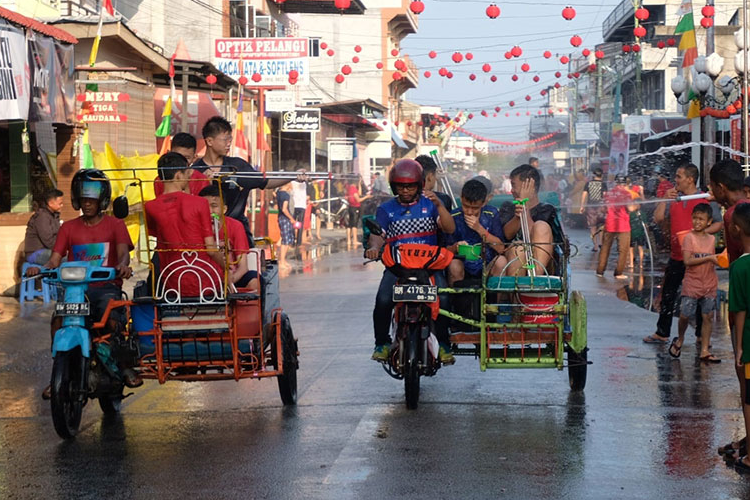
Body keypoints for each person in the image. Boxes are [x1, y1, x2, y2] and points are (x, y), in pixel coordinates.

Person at [28, 169, 139, 396]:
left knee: (112, 324)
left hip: (106, 288)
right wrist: (41, 269)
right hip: (75, 291)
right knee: (58, 321)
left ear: (102, 199)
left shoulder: (115, 225)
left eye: (92, 199)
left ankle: (124, 366)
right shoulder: (68, 228)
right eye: (84, 198)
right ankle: (57, 374)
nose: (87, 204)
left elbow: (123, 253)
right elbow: (55, 259)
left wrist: (123, 266)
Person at [364, 159, 456, 364]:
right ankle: (382, 343)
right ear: (394, 186)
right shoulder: (386, 209)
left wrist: (440, 206)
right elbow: (378, 234)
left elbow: (449, 228)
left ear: (420, 184)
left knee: (445, 300)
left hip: (429, 267)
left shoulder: (431, 204)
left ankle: (443, 344)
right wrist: (374, 248)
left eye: (410, 185)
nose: (405, 190)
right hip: (398, 268)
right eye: (401, 186)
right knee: (383, 300)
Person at [192, 116, 305, 247]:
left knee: (249, 264)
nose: (229, 143)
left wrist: (293, 175)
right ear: (209, 141)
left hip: (237, 232)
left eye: (230, 139)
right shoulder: (195, 171)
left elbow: (266, 182)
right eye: (225, 139)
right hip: (205, 234)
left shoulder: (238, 166)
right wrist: (204, 182)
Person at [643, 162, 721, 343]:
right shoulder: (675, 198)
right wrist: (664, 198)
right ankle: (662, 333)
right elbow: (658, 218)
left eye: (679, 177)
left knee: (700, 296)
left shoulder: (704, 199)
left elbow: (717, 223)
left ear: (690, 179)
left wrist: (696, 235)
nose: (675, 180)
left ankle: (701, 335)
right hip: (677, 256)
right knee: (668, 294)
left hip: (699, 258)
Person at [710, 159, 750, 464]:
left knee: (745, 378)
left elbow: (735, 261)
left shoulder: (731, 215)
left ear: (721, 188)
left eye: (713, 188)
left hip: (743, 300)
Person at [145, 152, 224, 298]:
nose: (189, 178)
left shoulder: (150, 207)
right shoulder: (200, 203)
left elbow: (157, 235)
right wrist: (227, 268)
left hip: (171, 281)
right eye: (187, 173)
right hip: (206, 279)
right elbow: (211, 250)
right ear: (178, 176)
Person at [668, 204, 720, 363]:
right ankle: (680, 339)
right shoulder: (689, 238)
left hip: (709, 283)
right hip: (692, 284)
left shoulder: (712, 239)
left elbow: (715, 260)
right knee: (685, 315)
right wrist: (710, 258)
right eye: (695, 218)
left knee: (708, 316)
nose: (697, 222)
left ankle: (704, 349)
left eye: (701, 219)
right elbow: (687, 261)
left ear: (709, 221)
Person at [445, 179, 507, 285]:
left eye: (474, 208)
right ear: (461, 198)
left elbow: (501, 248)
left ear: (483, 203)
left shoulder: (491, 214)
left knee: (501, 262)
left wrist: (479, 229)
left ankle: (495, 300)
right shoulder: (453, 217)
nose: (469, 211)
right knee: (454, 265)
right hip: (463, 265)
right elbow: (444, 251)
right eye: (466, 206)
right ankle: (456, 299)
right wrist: (455, 247)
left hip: (487, 265)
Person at [498, 164, 556, 277]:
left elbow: (534, 235)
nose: (512, 190)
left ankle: (534, 280)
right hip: (513, 257)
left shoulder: (546, 210)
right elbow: (507, 235)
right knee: (519, 248)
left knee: (541, 226)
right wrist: (518, 215)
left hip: (540, 261)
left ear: (530, 186)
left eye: (514, 186)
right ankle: (516, 292)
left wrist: (526, 208)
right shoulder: (508, 207)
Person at [199, 185, 257, 289]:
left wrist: (230, 280)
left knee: (255, 280)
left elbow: (243, 267)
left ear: (224, 209)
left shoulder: (235, 226)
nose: (209, 211)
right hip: (206, 276)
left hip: (232, 275)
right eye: (204, 206)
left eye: (214, 206)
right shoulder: (196, 227)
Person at [596, 175, 634, 279]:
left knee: (605, 248)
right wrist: (636, 207)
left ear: (616, 182)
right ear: (625, 184)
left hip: (610, 224)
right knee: (623, 250)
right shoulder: (626, 194)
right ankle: (618, 273)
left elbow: (603, 209)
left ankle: (600, 271)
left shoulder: (609, 193)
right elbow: (630, 208)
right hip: (623, 225)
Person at [153, 132, 209, 197]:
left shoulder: (202, 181)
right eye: (177, 156)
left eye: (187, 158)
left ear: (194, 158)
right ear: (169, 153)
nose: (181, 161)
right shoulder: (159, 180)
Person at [24, 188, 63, 265]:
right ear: (50, 203)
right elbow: (49, 241)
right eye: (60, 203)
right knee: (68, 257)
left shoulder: (53, 216)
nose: (62, 206)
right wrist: (64, 248)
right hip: (36, 253)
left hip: (47, 250)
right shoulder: (42, 217)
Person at [580, 167, 607, 250]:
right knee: (601, 225)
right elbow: (605, 195)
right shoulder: (603, 184)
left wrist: (582, 206)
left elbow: (584, 195)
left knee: (592, 226)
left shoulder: (588, 184)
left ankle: (595, 245)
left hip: (590, 207)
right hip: (600, 207)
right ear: (601, 175)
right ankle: (601, 243)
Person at [345, 175, 370, 249]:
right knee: (354, 224)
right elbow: (358, 199)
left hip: (350, 207)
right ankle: (354, 240)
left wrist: (359, 185)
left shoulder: (350, 188)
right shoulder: (353, 189)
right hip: (355, 207)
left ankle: (348, 240)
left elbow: (359, 193)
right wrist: (366, 197)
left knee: (349, 224)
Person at [276, 183, 295, 270]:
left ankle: (283, 260)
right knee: (286, 241)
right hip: (285, 219)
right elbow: (284, 209)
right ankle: (282, 261)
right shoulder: (286, 195)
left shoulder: (279, 192)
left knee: (285, 239)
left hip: (280, 218)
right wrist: (291, 218)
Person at [291, 179, 308, 246]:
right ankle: (298, 242)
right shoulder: (304, 183)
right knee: (300, 224)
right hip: (301, 205)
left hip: (296, 205)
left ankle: (293, 241)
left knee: (293, 223)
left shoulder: (292, 182)